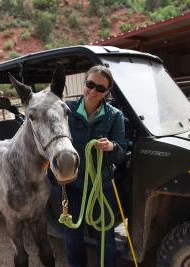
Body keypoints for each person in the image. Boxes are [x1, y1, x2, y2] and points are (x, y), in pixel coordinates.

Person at [63, 65, 127, 267]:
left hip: (101, 188)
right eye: (90, 84)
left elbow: (121, 154)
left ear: (107, 92)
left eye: (100, 88)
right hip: (71, 186)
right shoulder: (66, 110)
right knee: (73, 239)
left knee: (105, 240)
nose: (93, 91)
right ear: (85, 83)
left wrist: (111, 147)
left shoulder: (114, 116)